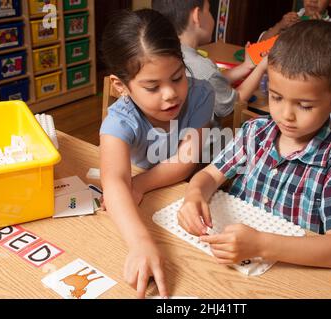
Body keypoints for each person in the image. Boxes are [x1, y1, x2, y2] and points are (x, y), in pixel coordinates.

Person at [178, 20, 331, 269]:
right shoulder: (255, 133)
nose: (286, 114)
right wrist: (194, 195)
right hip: (230, 263)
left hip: (286, 274)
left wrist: (261, 245)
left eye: (305, 105)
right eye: (276, 97)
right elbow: (209, 174)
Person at [99, 9, 215, 298]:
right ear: (121, 86)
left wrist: (137, 184)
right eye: (152, 87)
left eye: (177, 78)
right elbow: (112, 180)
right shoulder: (119, 119)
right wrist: (140, 242)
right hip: (152, 196)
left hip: (184, 189)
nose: (170, 94)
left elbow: (183, 163)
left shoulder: (201, 95)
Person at [152, 0, 268, 125]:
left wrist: (246, 66)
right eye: (209, 10)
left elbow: (213, 82)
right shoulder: (202, 67)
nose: (212, 17)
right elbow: (234, 102)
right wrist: (261, 68)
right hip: (208, 142)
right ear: (197, 16)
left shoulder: (164, 55)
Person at [260, 0, 331, 41]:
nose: (313, 0)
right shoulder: (291, 19)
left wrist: (317, 32)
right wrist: (279, 26)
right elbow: (260, 43)